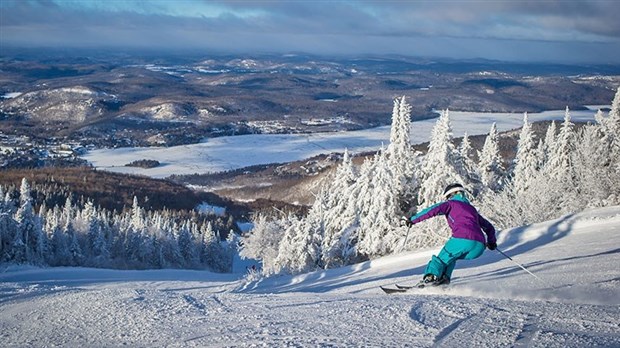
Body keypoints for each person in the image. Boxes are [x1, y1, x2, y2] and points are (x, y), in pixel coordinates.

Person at [403, 183, 497, 287]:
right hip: (479, 247)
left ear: (451, 194)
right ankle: (444, 280)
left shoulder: (451, 204)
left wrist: (413, 220)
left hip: (463, 239)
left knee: (441, 258)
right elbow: (489, 227)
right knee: (451, 257)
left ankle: (431, 278)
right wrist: (492, 242)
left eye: (448, 197)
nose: (447, 199)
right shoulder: (471, 209)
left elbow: (433, 210)